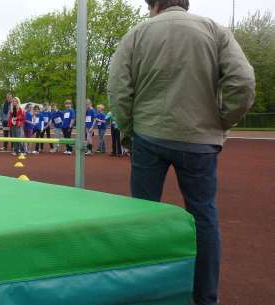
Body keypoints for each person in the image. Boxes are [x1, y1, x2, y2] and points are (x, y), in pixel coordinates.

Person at [108, 1, 255, 304]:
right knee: (203, 216)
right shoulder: (215, 30)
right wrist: (221, 122)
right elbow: (243, 81)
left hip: (149, 134)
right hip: (200, 137)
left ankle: (143, 292)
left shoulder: (137, 34)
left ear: (155, 5)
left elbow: (118, 88)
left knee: (142, 216)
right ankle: (205, 298)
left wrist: (128, 128)